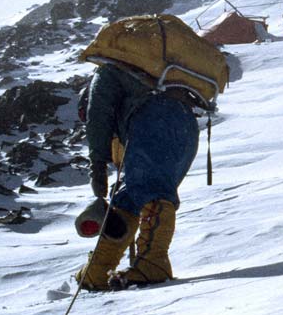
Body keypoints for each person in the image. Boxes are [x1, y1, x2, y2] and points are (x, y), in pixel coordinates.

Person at [76, 61, 201, 290]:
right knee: (130, 196)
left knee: (151, 189)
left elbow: (99, 116)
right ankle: (98, 270)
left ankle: (154, 263)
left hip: (156, 119)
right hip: (186, 128)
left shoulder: (104, 76)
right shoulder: (138, 81)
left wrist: (98, 166)